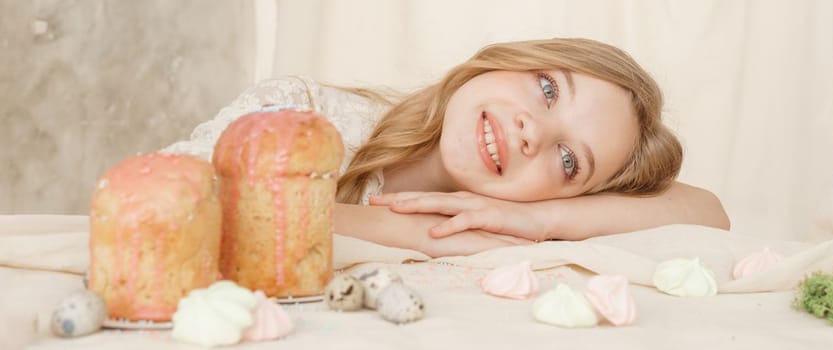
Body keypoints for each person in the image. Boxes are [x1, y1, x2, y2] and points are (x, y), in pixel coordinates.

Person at [164, 38, 729, 258]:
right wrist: (408, 232)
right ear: (501, 60)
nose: (535, 130)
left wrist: (541, 218)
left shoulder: (516, 222)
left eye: (567, 160)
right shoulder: (303, 112)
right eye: (549, 89)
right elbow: (177, 201)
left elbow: (709, 213)